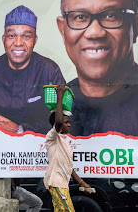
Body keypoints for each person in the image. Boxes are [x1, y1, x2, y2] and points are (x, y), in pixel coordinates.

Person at [57, 0, 138, 137]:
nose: (94, 33)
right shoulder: (58, 102)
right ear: (63, 29)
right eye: (80, 17)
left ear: (136, 26)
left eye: (111, 16)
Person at [0, 5, 65, 134]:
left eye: (26, 36)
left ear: (35, 40)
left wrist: (19, 129)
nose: (18, 43)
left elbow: (61, 120)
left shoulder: (49, 70)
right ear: (3, 39)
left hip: (38, 150)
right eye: (12, 36)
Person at [44, 84, 92, 212]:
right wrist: (60, 98)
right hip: (56, 184)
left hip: (63, 185)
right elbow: (58, 122)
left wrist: (81, 182)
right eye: (67, 122)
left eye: (69, 122)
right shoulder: (52, 137)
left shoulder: (64, 141)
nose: (69, 125)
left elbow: (68, 167)